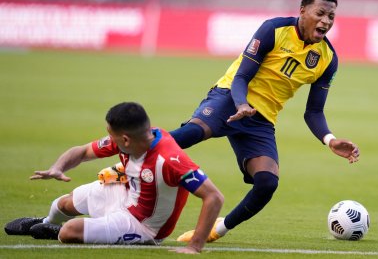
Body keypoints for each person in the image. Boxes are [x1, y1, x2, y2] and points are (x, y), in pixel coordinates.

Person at [172, 0, 360, 243]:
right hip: (230, 98)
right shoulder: (273, 30)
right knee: (190, 134)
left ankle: (217, 230)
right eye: (321, 13)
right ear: (303, 11)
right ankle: (125, 156)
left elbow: (314, 111)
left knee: (267, 184)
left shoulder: (328, 59)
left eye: (331, 17)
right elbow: (242, 76)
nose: (326, 21)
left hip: (261, 120)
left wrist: (330, 139)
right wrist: (240, 105)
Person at [4, 102, 224, 254]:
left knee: (70, 232)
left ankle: (58, 231)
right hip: (127, 195)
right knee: (63, 203)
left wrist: (194, 246)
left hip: (143, 227)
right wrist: (57, 167)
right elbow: (82, 152)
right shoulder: (133, 138)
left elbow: (214, 197)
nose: (108, 138)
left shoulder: (170, 159)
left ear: (126, 139)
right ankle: (45, 223)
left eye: (111, 134)